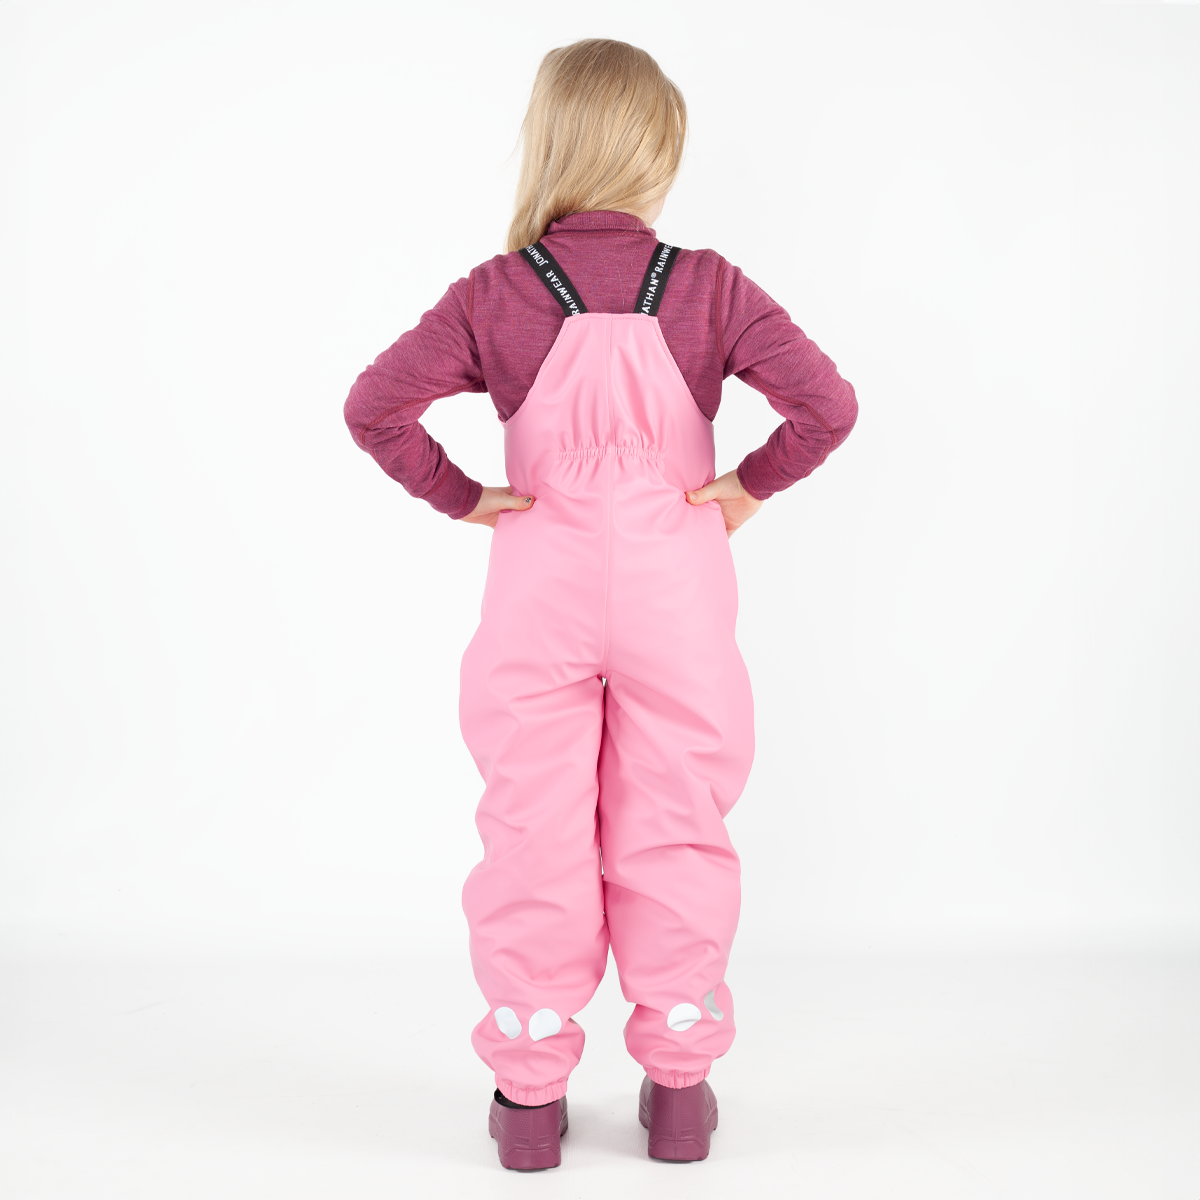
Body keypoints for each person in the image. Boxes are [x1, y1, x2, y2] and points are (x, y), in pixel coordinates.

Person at [343, 37, 857, 1170]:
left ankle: (529, 1099)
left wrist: (466, 498)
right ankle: (679, 1088)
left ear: (549, 144)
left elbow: (373, 407)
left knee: (532, 828)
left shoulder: (496, 294)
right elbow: (828, 406)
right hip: (678, 592)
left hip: (540, 591)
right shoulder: (710, 287)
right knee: (676, 820)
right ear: (657, 152)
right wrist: (746, 487)